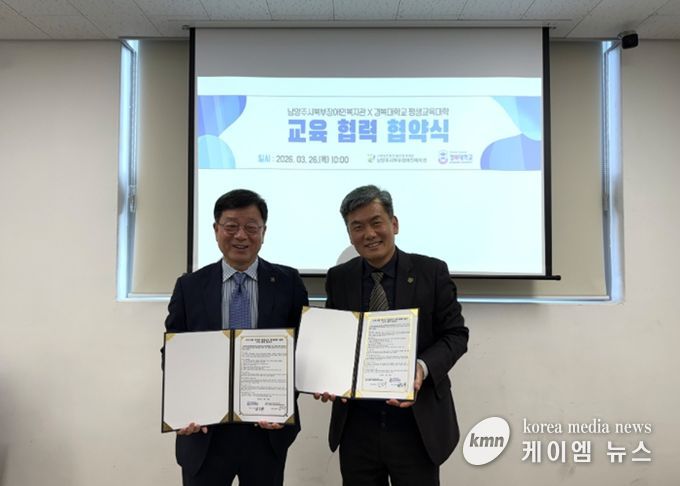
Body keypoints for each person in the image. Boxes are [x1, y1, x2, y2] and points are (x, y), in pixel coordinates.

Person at [318, 185, 468, 486]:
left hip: (415, 423)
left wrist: (421, 368)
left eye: (376, 222)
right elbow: (333, 339)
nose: (369, 234)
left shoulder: (431, 272)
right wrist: (326, 376)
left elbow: (455, 335)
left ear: (394, 224)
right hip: (357, 425)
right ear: (349, 235)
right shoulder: (339, 278)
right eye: (357, 227)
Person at [165, 189, 308, 486]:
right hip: (204, 432)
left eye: (251, 227)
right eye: (231, 226)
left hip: (266, 432)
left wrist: (283, 404)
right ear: (216, 230)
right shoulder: (189, 287)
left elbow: (301, 351)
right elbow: (174, 354)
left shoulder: (288, 283)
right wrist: (183, 407)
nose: (241, 236)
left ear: (264, 232)